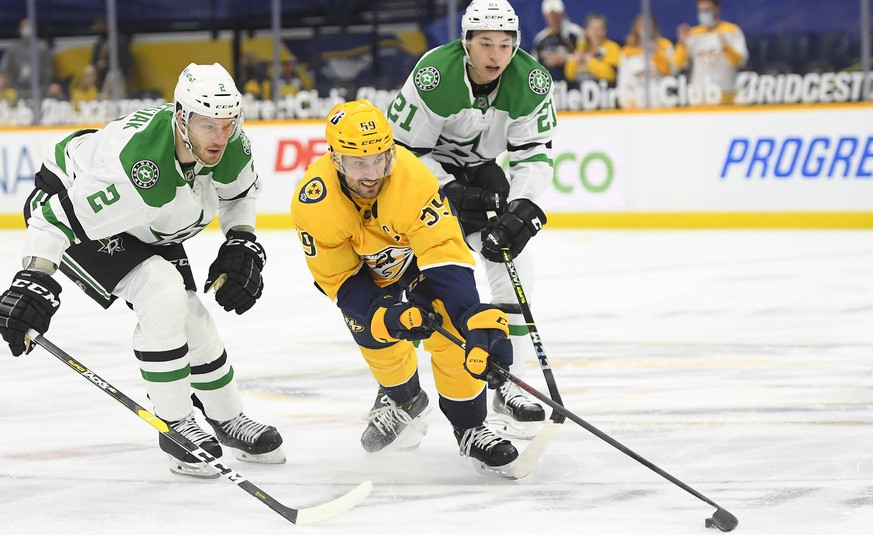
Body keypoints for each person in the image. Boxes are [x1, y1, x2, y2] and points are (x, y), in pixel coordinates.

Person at [0, 63, 285, 479]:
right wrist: (34, 280)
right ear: (182, 117)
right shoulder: (138, 169)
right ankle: (176, 427)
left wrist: (241, 239)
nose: (221, 137)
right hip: (73, 200)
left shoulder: (230, 145)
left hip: (144, 223)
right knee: (163, 293)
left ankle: (227, 419)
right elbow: (52, 218)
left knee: (193, 317)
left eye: (228, 124)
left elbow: (238, 194)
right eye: (209, 125)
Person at [291, 99, 519, 477]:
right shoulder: (314, 202)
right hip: (364, 274)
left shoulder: (413, 179)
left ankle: (470, 425)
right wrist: (385, 313)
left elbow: (444, 251)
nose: (370, 173)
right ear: (335, 159)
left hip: (415, 262)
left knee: (448, 322)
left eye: (379, 158)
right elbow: (339, 280)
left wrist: (472, 318)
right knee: (373, 329)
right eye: (357, 162)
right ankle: (403, 398)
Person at [385, 0, 553, 439]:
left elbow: (533, 153)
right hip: (420, 177)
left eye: (505, 44)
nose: (495, 54)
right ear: (466, 43)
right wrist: (447, 190)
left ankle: (506, 376)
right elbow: (403, 154)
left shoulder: (531, 81)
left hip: (479, 172)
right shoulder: (435, 75)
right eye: (485, 43)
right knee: (417, 279)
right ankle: (396, 391)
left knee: (509, 255)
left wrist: (523, 206)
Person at [674, 0, 747, 104]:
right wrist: (682, 43)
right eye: (701, 11)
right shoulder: (693, 34)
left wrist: (727, 48)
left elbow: (740, 62)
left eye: (707, 10)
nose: (704, 14)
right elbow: (679, 63)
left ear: (717, 9)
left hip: (727, 92)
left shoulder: (732, 30)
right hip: (700, 95)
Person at [617, 13, 676, 109]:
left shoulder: (665, 45)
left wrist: (656, 54)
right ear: (636, 28)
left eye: (649, 24)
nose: (646, 28)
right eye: (642, 25)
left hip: (663, 104)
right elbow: (623, 82)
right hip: (636, 105)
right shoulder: (627, 51)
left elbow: (672, 72)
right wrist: (626, 102)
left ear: (654, 27)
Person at [0, 18, 54, 101]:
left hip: (39, 88)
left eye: (29, 27)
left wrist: (47, 85)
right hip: (17, 87)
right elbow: (5, 69)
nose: (26, 30)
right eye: (24, 27)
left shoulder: (42, 47)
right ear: (19, 30)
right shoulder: (12, 49)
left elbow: (48, 70)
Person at [530, 0, 582, 84]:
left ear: (562, 14)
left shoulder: (576, 33)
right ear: (545, 16)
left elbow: (585, 57)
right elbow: (534, 64)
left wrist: (566, 59)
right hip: (550, 84)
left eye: (557, 14)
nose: (554, 18)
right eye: (550, 15)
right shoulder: (540, 39)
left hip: (575, 85)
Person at [564, 12, 621, 87]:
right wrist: (574, 61)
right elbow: (569, 75)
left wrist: (590, 61)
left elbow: (612, 75)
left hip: (605, 93)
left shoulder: (613, 48)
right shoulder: (582, 47)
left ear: (605, 31)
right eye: (592, 28)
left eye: (600, 28)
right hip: (579, 94)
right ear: (586, 31)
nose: (596, 31)